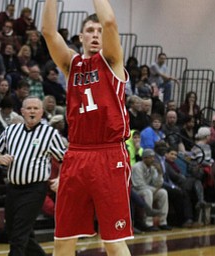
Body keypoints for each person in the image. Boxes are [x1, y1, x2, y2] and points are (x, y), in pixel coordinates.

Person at [42, 1, 133, 255]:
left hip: (109, 153)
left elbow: (111, 22)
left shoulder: (112, 61)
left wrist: (105, 25)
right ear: (80, 36)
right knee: (63, 239)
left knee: (113, 241)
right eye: (90, 30)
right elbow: (48, 32)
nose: (96, 34)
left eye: (99, 31)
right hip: (76, 154)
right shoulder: (71, 65)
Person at [0, 96, 66, 256]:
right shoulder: (11, 130)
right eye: (29, 108)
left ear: (41, 112)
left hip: (35, 189)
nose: (32, 111)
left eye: (36, 108)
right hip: (13, 188)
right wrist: (0, 158)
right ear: (22, 111)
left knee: (18, 234)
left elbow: (65, 160)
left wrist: (60, 178)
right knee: (13, 230)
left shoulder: (50, 133)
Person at [131, 148, 171, 231]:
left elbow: (157, 184)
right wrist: (154, 189)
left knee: (163, 192)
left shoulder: (152, 168)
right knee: (148, 192)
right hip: (136, 191)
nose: (153, 159)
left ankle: (163, 222)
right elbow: (139, 185)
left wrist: (160, 173)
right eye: (150, 157)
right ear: (144, 158)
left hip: (148, 190)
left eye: (153, 157)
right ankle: (148, 223)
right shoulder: (137, 167)